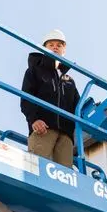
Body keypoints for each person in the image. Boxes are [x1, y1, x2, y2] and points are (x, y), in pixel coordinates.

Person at [21, 29, 80, 168]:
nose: (55, 47)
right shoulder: (34, 71)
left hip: (66, 135)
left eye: (59, 45)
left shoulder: (69, 81)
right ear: (44, 48)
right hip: (43, 128)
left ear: (64, 50)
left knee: (65, 177)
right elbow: (26, 97)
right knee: (37, 170)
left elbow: (77, 107)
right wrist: (33, 119)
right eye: (51, 44)